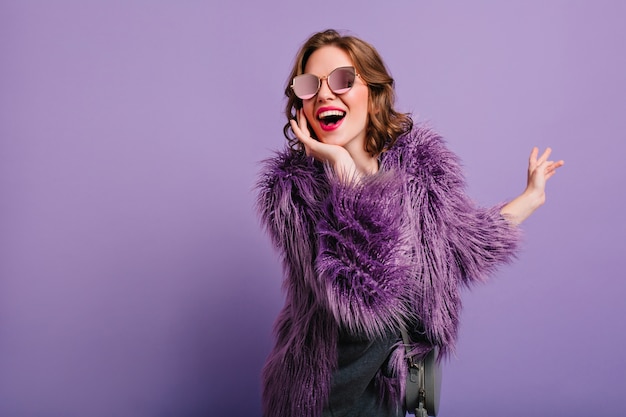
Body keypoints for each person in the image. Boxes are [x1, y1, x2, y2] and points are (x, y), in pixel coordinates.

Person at [256, 29, 564, 417]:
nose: (324, 94)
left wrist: (531, 198)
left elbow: (463, 243)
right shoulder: (295, 195)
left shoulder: (419, 170)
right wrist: (343, 170)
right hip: (331, 393)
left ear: (373, 92)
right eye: (309, 85)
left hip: (394, 388)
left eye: (341, 80)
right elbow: (366, 300)